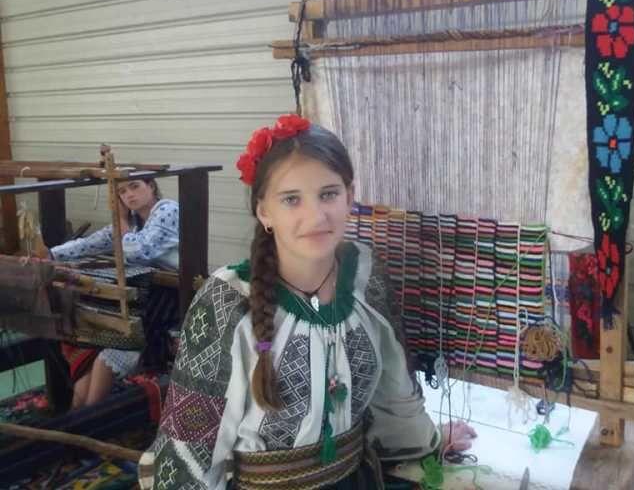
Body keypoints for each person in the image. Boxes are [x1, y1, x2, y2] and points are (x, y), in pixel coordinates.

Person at [138, 114, 475, 489]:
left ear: (349, 197)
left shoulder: (364, 273)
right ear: (264, 211)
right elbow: (191, 445)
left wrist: (428, 440)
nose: (315, 216)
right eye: (291, 199)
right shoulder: (227, 299)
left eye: (328, 194)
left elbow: (393, 388)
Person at [50, 178, 179, 408]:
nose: (129, 195)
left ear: (151, 186)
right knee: (88, 369)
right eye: (122, 191)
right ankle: (77, 416)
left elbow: (139, 251)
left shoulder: (167, 210)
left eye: (135, 186)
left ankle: (90, 419)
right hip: (146, 296)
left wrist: (120, 219)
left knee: (105, 360)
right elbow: (93, 242)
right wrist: (51, 254)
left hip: (171, 299)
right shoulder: (132, 222)